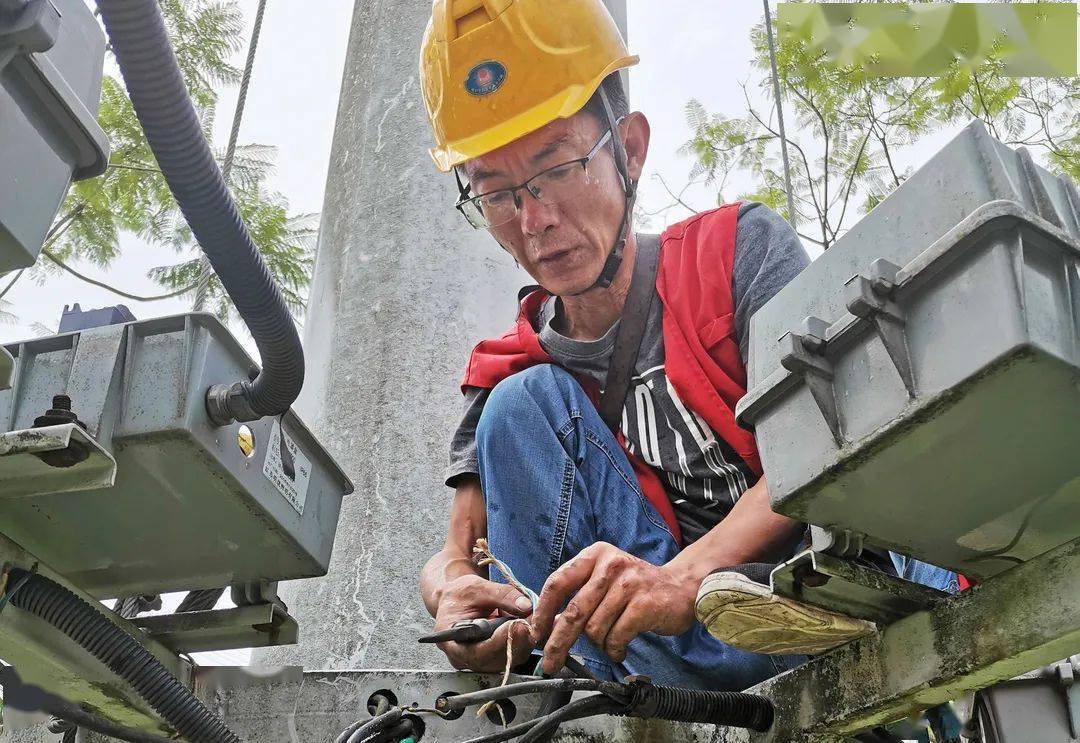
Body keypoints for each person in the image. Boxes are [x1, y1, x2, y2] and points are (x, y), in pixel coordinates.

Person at [416, 0, 956, 689]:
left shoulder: (732, 254)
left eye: (559, 168)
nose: (536, 220)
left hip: (821, 599)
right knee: (517, 407)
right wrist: (453, 594)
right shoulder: (513, 362)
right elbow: (453, 555)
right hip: (669, 652)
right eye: (497, 194)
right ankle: (566, 686)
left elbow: (838, 442)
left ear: (630, 149)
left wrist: (687, 576)